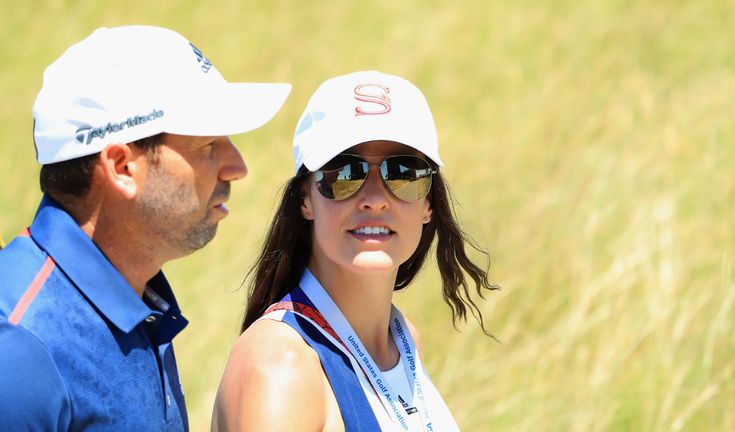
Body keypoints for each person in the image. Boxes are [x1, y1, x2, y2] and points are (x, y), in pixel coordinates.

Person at [0, 25, 290, 431]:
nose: (237, 168)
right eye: (208, 146)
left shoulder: (137, 300)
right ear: (122, 167)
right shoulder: (20, 347)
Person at [213, 71, 497, 431]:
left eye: (404, 172)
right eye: (345, 172)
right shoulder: (280, 365)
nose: (376, 199)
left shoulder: (403, 340)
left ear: (429, 203)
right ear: (305, 198)